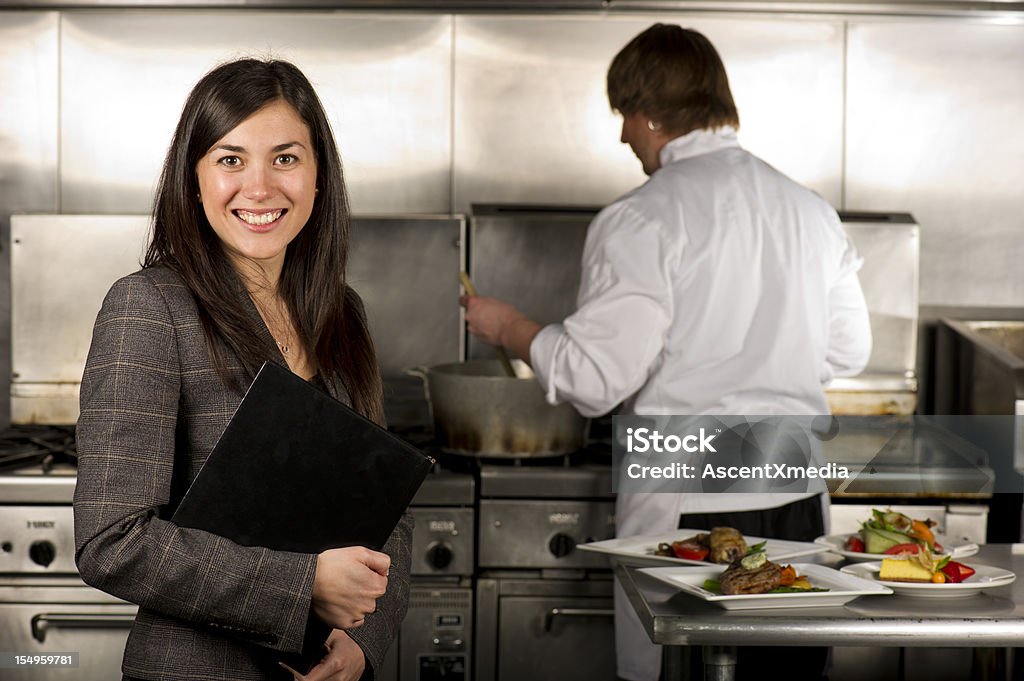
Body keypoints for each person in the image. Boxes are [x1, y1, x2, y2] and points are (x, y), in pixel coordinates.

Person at [461, 24, 871, 681]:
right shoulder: (810, 210)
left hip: (694, 508)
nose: (624, 135)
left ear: (649, 113)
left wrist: (509, 326)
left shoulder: (642, 218)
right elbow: (850, 348)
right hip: (796, 493)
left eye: (624, 115)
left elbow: (597, 379)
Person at [73, 58, 410, 681]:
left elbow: (385, 503)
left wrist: (365, 644)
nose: (259, 187)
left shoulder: (340, 312)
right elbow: (112, 541)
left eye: (285, 158)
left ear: (318, 177)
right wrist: (304, 585)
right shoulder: (149, 307)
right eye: (231, 160)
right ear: (193, 179)